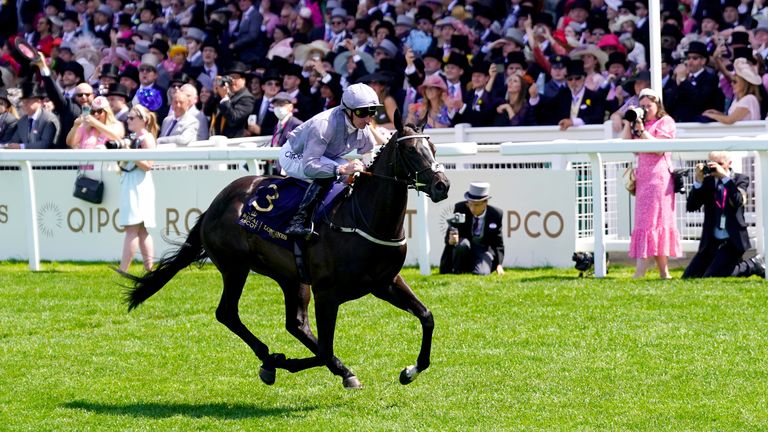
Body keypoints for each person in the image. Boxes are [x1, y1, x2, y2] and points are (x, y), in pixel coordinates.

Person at [281, 83, 387, 239]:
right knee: (332, 172)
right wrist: (342, 170)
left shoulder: (363, 127)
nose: (369, 119)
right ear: (347, 111)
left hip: (323, 155)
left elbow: (368, 158)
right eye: (362, 112)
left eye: (372, 112)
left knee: (353, 173)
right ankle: (297, 222)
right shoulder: (324, 125)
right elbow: (310, 166)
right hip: (296, 154)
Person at [622, 88, 681, 279]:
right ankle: (664, 273)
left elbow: (658, 149)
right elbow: (625, 144)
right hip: (644, 178)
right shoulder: (640, 123)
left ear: (658, 105)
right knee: (648, 223)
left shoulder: (666, 121)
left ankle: (641, 271)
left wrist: (642, 131)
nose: (646, 110)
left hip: (660, 177)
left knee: (656, 222)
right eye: (643, 106)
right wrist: (629, 121)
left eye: (649, 106)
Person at [682, 151, 766, 278]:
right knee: (689, 277)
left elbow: (738, 201)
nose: (715, 168)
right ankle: (729, 264)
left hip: (733, 240)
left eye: (720, 164)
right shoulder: (708, 181)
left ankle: (753, 265)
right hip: (712, 241)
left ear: (729, 163)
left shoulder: (740, 179)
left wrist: (724, 178)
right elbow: (691, 206)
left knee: (712, 275)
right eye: (711, 164)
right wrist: (698, 182)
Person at [118, 104, 158, 273]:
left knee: (133, 228)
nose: (128, 121)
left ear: (144, 120)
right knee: (140, 230)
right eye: (128, 117)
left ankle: (123, 270)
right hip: (132, 183)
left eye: (132, 118)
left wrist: (130, 153)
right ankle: (150, 269)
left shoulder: (147, 138)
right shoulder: (135, 137)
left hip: (139, 185)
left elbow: (148, 165)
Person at [439, 182, 505, 276]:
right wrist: (450, 240)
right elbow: (449, 233)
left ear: (485, 202)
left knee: (482, 273)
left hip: (483, 250)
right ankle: (457, 271)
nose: (472, 208)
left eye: (477, 205)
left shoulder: (496, 214)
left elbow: (498, 243)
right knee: (462, 244)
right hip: (464, 248)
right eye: (470, 204)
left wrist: (499, 264)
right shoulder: (460, 208)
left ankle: (477, 267)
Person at [702, 58, 762, 124]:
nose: (731, 84)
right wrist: (719, 114)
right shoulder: (737, 99)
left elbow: (730, 120)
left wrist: (712, 116)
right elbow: (734, 118)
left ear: (745, 84)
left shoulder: (749, 98)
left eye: (735, 82)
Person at [4, 82, 60, 150]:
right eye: (23, 102)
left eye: (27, 102)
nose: (24, 105)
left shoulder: (49, 119)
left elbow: (45, 143)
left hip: (47, 158)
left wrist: (21, 146)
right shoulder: (22, 121)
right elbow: (14, 140)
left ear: (39, 102)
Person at [266, 91, 302, 175]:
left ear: (290, 107)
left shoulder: (297, 125)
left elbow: (297, 150)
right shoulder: (278, 125)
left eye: (281, 105)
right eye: (276, 105)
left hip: (288, 171)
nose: (278, 108)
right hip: (274, 168)